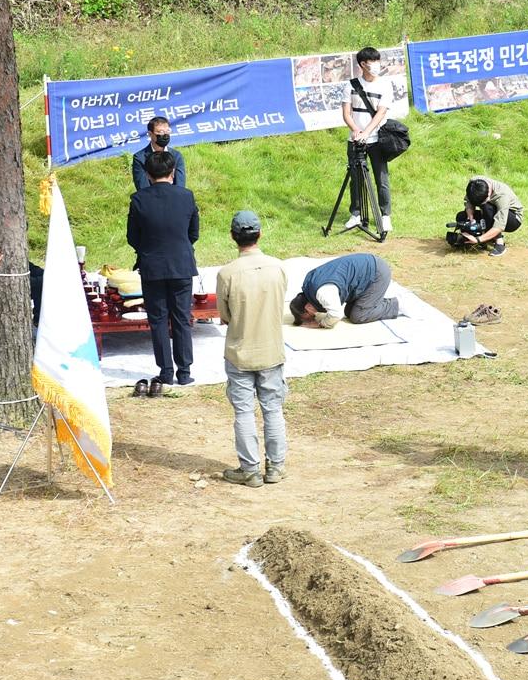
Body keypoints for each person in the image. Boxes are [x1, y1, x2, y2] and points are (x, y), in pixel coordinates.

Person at [216, 211, 289, 488]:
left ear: (234, 237)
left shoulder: (227, 273)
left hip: (240, 352)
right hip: (271, 350)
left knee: (244, 412)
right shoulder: (278, 268)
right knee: (273, 410)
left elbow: (224, 316)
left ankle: (250, 471)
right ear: (259, 234)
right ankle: (276, 468)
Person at [126, 150, 199, 387]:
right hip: (181, 264)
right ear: (172, 173)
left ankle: (166, 371)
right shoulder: (186, 196)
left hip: (152, 265)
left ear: (147, 174)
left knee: (158, 319)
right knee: (181, 317)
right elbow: (193, 233)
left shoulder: (139, 199)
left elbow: (132, 237)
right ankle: (184, 371)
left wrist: (148, 250)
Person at [342, 46, 395, 233]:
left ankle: (385, 215)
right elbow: (346, 113)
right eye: (372, 62)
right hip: (355, 140)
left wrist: (367, 132)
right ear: (363, 64)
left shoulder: (385, 85)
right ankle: (355, 215)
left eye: (377, 61)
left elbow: (381, 112)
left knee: (381, 178)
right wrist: (356, 130)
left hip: (376, 139)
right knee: (355, 179)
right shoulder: (351, 85)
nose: (376, 65)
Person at [289, 253, 399, 328]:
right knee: (349, 312)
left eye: (310, 317)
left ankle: (396, 305)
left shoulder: (323, 292)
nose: (315, 317)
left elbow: (336, 314)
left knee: (359, 316)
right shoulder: (311, 287)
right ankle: (375, 302)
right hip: (365, 272)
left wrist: (320, 324)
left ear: (307, 307)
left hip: (375, 274)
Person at [449, 177, 523, 257]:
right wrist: (470, 218)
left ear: (488, 195)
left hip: (512, 218)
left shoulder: (502, 195)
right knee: (461, 216)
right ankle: (476, 238)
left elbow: (500, 225)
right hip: (490, 213)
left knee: (487, 207)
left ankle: (499, 243)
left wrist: (478, 239)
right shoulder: (474, 184)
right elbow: (469, 202)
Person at [131, 116, 187, 191]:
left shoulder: (176, 156)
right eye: (160, 132)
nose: (165, 135)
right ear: (150, 134)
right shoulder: (140, 158)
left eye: (167, 131)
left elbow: (180, 186)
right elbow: (143, 188)